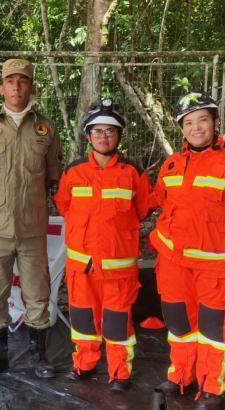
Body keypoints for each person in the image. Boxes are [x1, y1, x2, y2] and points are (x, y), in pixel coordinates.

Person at [149, 92, 225, 410]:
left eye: (202, 119)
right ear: (182, 129)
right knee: (178, 325)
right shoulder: (172, 163)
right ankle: (181, 376)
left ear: (215, 123)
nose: (196, 127)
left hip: (216, 266)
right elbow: (161, 201)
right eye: (188, 122)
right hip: (174, 262)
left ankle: (210, 387)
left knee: (213, 329)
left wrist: (222, 225)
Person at [0, 59, 60, 378]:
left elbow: (51, 175)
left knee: (38, 293)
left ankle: (39, 357)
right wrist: (1, 200)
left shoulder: (46, 128)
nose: (16, 86)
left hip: (33, 226)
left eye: (23, 81)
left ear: (32, 87)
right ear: (1, 87)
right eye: (10, 81)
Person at [54, 99, 151, 391]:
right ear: (88, 136)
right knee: (83, 317)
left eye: (110, 131)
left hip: (118, 268)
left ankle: (120, 372)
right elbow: (64, 205)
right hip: (81, 266)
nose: (103, 137)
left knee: (117, 322)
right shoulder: (74, 172)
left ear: (119, 135)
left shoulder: (133, 172)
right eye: (97, 131)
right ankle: (84, 364)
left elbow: (143, 208)